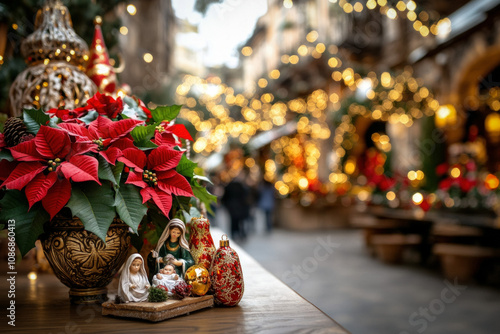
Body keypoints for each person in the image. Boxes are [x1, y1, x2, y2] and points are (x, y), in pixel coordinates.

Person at [222, 171, 250, 241]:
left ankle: (234, 233)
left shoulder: (229, 186)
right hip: (239, 206)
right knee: (240, 221)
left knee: (233, 220)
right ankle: (241, 234)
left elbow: (225, 197)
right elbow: (245, 197)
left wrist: (226, 205)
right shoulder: (241, 186)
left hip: (231, 206)